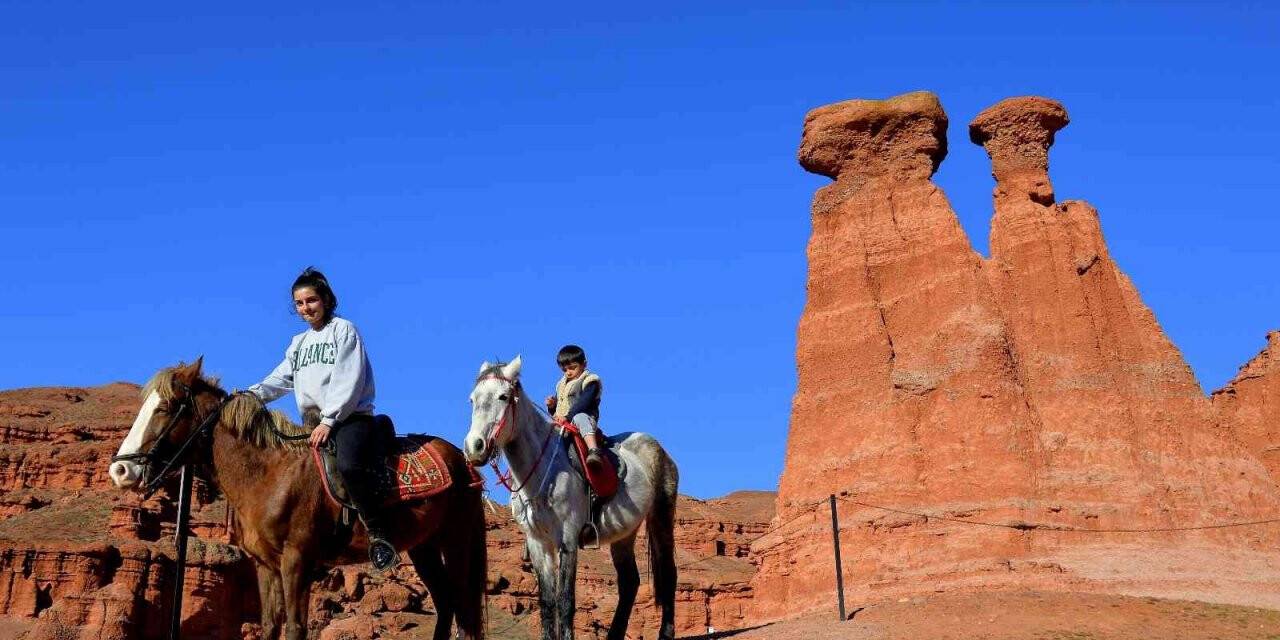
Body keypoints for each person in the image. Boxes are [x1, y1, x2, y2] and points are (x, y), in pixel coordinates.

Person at [247, 267, 398, 573]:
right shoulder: (298, 343)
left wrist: (330, 420)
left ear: (326, 300)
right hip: (312, 423)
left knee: (348, 466)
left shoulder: (344, 331)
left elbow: (349, 378)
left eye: (311, 300)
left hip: (349, 418)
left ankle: (379, 536)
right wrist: (250, 395)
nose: (306, 308)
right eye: (300, 303)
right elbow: (280, 379)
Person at [543, 344, 606, 473]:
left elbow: (584, 403)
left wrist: (567, 417)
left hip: (585, 420)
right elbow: (559, 409)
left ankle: (593, 450)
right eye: (564, 370)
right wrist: (552, 407)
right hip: (563, 425)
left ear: (584, 364)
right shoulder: (561, 385)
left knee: (579, 417)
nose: (568, 372)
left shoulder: (590, 380)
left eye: (572, 368)